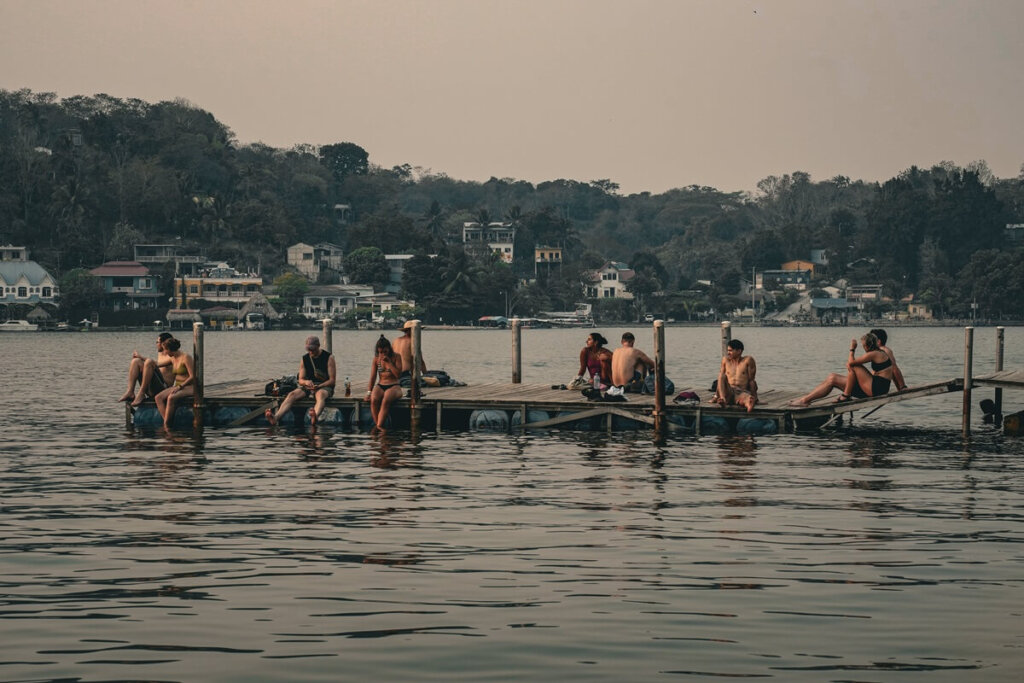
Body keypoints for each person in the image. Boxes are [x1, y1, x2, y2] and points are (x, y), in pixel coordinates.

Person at [789, 332, 895, 406]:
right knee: (832, 378)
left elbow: (851, 363)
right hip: (876, 388)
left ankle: (845, 396)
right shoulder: (880, 353)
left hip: (876, 390)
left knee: (853, 365)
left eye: (863, 346)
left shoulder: (874, 354)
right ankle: (806, 399)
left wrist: (852, 349)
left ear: (867, 346)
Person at [266, 336, 337, 427]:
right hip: (309, 385)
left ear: (318, 346)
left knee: (320, 395)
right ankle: (276, 417)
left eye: (313, 350)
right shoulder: (305, 359)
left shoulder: (329, 357)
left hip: (324, 386)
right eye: (309, 350)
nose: (311, 352)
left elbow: (332, 381)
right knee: (292, 395)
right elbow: (301, 379)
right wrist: (306, 382)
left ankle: (315, 416)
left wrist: (319, 386)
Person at [119, 332, 175, 407]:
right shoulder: (160, 353)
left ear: (164, 343)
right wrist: (139, 358)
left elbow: (156, 364)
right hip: (153, 387)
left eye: (157, 342)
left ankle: (141, 393)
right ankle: (130, 392)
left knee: (149, 362)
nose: (156, 344)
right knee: (136, 361)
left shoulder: (172, 355)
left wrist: (141, 357)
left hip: (164, 389)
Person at [154, 338, 195, 428]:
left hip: (189, 386)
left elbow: (193, 376)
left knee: (171, 397)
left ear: (170, 349)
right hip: (178, 386)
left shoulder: (186, 357)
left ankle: (167, 425)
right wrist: (142, 359)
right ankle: (167, 423)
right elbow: (157, 364)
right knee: (158, 398)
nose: (164, 352)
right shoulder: (173, 358)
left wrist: (180, 387)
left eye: (165, 350)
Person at [367, 334, 404, 430]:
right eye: (380, 352)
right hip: (381, 385)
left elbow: (398, 375)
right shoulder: (376, 359)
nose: (383, 354)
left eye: (385, 351)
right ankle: (379, 426)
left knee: (386, 400)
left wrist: (389, 363)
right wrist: (368, 392)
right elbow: (372, 377)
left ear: (389, 349)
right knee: (374, 399)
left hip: (394, 385)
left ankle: (378, 427)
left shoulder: (397, 357)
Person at [711, 339, 758, 412]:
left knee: (747, 398)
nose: (728, 353)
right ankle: (723, 399)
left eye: (730, 351)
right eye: (728, 350)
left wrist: (755, 397)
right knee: (722, 376)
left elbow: (751, 381)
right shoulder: (725, 360)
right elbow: (721, 380)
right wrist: (716, 396)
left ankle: (749, 404)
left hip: (741, 391)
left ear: (739, 351)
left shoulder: (748, 360)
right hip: (729, 391)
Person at [393, 320, 427, 384]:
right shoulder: (412, 342)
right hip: (405, 374)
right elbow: (420, 361)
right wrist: (426, 375)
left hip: (394, 374)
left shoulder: (396, 341)